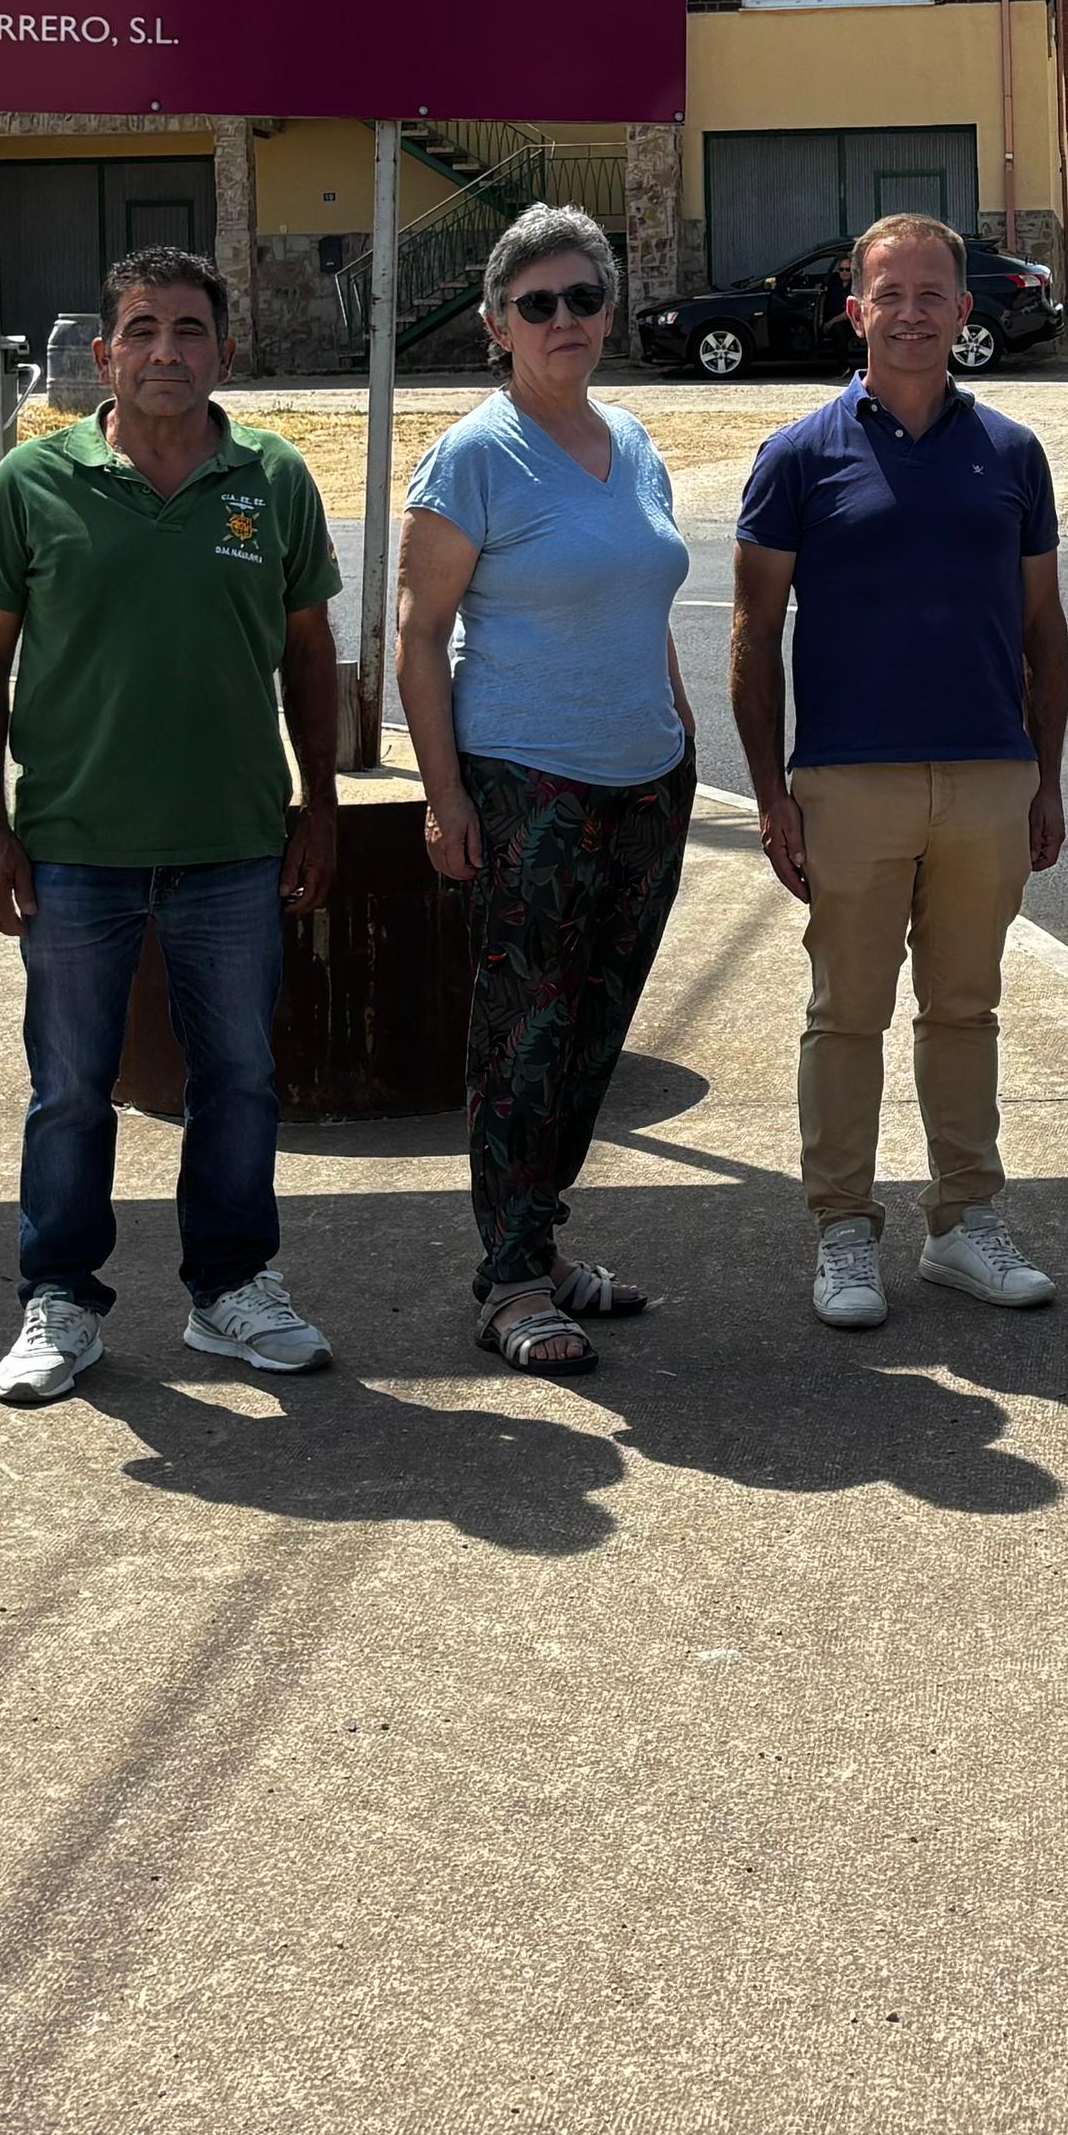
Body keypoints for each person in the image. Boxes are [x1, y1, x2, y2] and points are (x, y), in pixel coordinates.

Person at [0, 244, 343, 1405]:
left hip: (233, 843)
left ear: (224, 351)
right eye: (141, 330)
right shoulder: (31, 484)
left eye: (188, 330)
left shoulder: (271, 481)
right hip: (74, 846)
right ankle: (59, 1301)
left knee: (238, 1079)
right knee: (70, 1087)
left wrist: (317, 806)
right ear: (102, 353)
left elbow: (309, 658)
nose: (165, 351)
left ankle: (231, 1292)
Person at [732, 206, 1068, 1330]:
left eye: (934, 293)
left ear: (964, 310)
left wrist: (1047, 774)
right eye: (892, 294)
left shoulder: (1013, 453)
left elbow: (1044, 630)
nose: (913, 313)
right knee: (845, 1015)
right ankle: (841, 1231)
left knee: (964, 1008)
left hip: (987, 772)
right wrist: (770, 791)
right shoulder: (797, 454)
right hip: (847, 778)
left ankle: (963, 1223)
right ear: (855, 309)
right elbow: (751, 632)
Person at [396, 205, 696, 1377]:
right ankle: (508, 1281)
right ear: (495, 325)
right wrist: (443, 796)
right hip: (530, 784)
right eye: (538, 303)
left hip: (645, 783)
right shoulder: (474, 455)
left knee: (594, 1030)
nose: (564, 320)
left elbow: (648, 603)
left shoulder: (633, 438)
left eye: (583, 298)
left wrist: (679, 737)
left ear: (607, 312)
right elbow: (420, 637)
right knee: (522, 1038)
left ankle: (541, 1237)